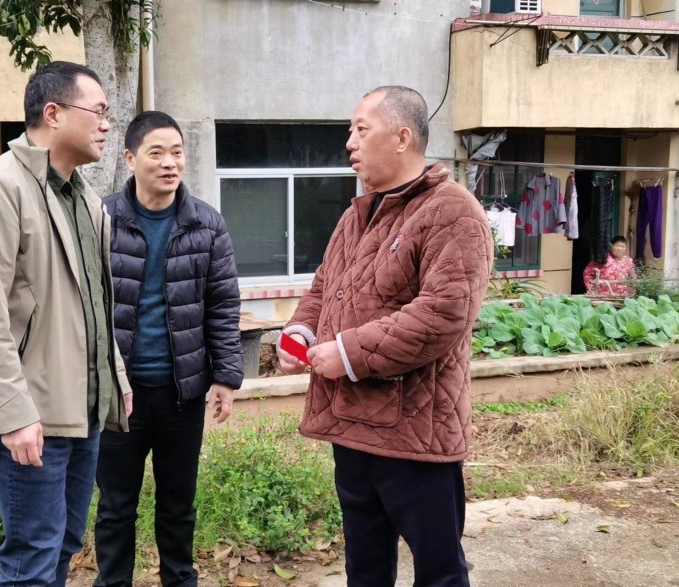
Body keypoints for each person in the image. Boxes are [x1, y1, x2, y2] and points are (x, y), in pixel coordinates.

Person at [277, 86, 493, 586]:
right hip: (351, 425)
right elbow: (325, 286)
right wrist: (300, 330)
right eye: (349, 131)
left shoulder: (452, 212)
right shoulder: (357, 213)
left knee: (439, 571)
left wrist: (349, 353)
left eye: (361, 129)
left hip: (415, 433)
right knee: (365, 566)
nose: (349, 142)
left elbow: (443, 314)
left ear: (401, 137)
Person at [0, 60, 133, 587]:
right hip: (32, 415)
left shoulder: (85, 199)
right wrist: (11, 412)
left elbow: (95, 302)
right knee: (31, 558)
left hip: (82, 410)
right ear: (53, 114)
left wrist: (117, 379)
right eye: (98, 111)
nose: (107, 124)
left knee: (65, 545)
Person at [94, 111, 243, 587]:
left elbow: (223, 304)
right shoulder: (101, 219)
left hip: (182, 394)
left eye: (177, 152)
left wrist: (226, 377)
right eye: (156, 152)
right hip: (120, 395)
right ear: (130, 158)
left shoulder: (206, 223)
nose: (169, 163)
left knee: (179, 504)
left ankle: (180, 580)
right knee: (116, 506)